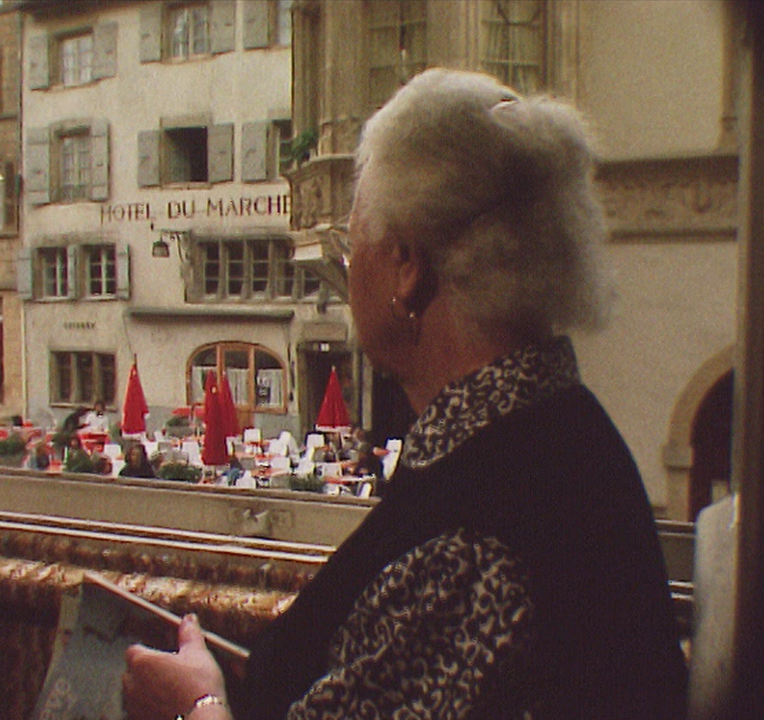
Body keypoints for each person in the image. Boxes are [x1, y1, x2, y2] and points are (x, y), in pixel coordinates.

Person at [122, 69, 687, 720]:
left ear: (407, 266)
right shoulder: (546, 433)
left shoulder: (475, 547)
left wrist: (193, 705)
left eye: (354, 233)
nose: (348, 260)